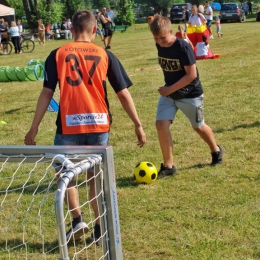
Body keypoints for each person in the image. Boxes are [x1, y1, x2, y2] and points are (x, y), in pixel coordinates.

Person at [24, 10, 146, 245]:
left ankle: (77, 219)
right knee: (94, 179)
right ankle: (100, 228)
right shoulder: (105, 54)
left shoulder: (57, 54)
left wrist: (34, 127)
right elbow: (123, 93)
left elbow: (47, 92)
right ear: (94, 29)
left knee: (65, 176)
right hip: (99, 125)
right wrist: (138, 124)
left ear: (71, 30)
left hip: (68, 127)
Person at [149, 14, 223, 178]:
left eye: (162, 37)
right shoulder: (159, 44)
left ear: (170, 31)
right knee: (161, 125)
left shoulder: (183, 47)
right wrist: (168, 90)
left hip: (190, 94)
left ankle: (216, 150)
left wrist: (169, 89)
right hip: (169, 94)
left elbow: (191, 75)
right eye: (156, 38)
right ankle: (169, 166)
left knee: (199, 127)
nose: (160, 42)